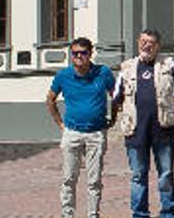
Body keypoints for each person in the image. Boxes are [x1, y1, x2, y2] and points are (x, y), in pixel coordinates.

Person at [47, 37, 117, 218]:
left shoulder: (103, 73)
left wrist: (113, 117)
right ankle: (67, 214)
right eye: (75, 53)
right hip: (72, 132)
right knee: (68, 178)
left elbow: (116, 96)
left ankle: (93, 215)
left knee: (94, 180)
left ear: (90, 54)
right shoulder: (63, 75)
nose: (79, 56)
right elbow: (50, 99)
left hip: (96, 133)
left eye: (83, 53)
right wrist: (60, 124)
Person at [111, 29, 174, 218]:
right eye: (143, 41)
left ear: (158, 46)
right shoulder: (127, 68)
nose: (147, 45)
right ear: (138, 43)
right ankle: (140, 213)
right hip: (135, 132)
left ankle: (168, 212)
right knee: (138, 175)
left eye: (151, 42)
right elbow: (116, 97)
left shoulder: (170, 65)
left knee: (165, 174)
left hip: (163, 130)